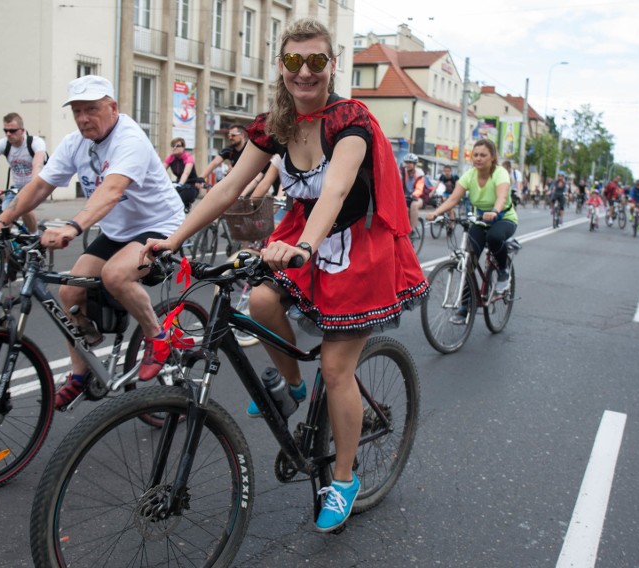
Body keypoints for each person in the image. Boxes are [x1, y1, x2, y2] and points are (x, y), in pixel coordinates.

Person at [140, 18, 429, 533]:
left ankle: (343, 478)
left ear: (331, 65)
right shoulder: (277, 123)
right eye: (294, 62)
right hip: (305, 241)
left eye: (316, 61)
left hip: (357, 250)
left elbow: (336, 191)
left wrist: (301, 247)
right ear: (281, 66)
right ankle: (292, 386)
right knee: (262, 305)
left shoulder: (350, 121)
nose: (305, 73)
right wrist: (174, 239)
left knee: (338, 371)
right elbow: (228, 188)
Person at [0, 75, 185, 409]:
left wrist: (72, 227)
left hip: (160, 226)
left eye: (92, 109)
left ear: (112, 107)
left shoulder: (129, 138)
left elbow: (113, 190)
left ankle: (157, 336)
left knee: (115, 275)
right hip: (118, 231)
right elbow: (41, 185)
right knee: (70, 291)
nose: (84, 118)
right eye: (77, 111)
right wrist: (2, 219)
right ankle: (80, 373)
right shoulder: (76, 143)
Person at [426, 138, 518, 315]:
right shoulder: (470, 175)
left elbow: (501, 196)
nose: (478, 158)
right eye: (475, 155)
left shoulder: (500, 173)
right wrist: (436, 213)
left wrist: (495, 211)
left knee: (494, 238)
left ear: (492, 157)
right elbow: (453, 199)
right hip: (481, 219)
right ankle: (465, 306)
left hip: (503, 217)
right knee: (469, 259)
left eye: (483, 155)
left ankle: (503, 272)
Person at [163, 137, 201, 210]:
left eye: (177, 146)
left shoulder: (188, 157)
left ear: (183, 147)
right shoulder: (171, 157)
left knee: (178, 201)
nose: (174, 147)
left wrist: (180, 184)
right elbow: (161, 170)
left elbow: (186, 173)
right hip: (179, 184)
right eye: (173, 145)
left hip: (191, 185)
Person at [400, 153, 424, 228]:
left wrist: (413, 195)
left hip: (417, 198)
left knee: (414, 205)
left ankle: (411, 229)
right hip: (405, 197)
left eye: (410, 163)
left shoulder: (419, 174)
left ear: (414, 164)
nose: (408, 164)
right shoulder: (402, 173)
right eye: (406, 162)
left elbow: (419, 189)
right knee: (404, 209)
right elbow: (398, 185)